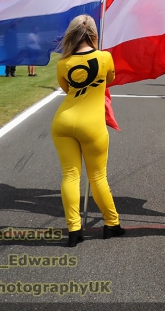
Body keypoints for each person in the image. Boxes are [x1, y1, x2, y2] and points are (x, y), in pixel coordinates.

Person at [50, 14, 124, 246]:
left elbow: (66, 88)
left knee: (70, 176)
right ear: (93, 35)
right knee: (98, 177)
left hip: (63, 121)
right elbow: (110, 79)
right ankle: (112, 223)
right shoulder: (105, 57)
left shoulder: (63, 63)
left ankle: (74, 230)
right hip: (92, 125)